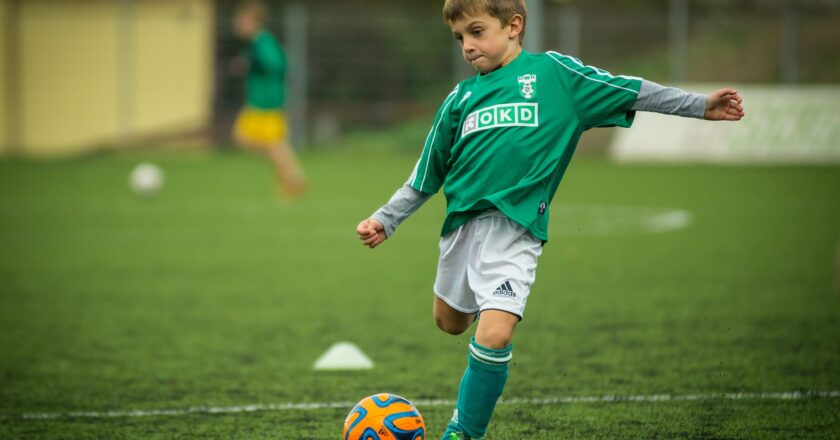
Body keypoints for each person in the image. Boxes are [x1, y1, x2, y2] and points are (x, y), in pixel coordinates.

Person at [356, 0, 744, 438]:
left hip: (516, 232)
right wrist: (385, 220)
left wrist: (698, 106)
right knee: (449, 322)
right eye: (460, 37)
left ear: (514, 26)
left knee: (496, 334)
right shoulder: (459, 99)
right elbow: (426, 175)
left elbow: (629, 89)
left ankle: (463, 431)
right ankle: (473, 315)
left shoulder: (555, 76)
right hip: (461, 232)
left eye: (477, 32)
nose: (467, 46)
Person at [231, 0, 306, 199]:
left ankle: (292, 178)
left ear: (253, 21)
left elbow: (277, 63)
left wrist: (253, 62)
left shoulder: (261, 41)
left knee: (272, 144)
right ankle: (291, 175)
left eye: (242, 19)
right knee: (247, 140)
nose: (237, 23)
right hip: (259, 100)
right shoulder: (256, 43)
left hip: (266, 102)